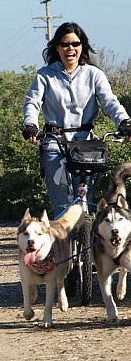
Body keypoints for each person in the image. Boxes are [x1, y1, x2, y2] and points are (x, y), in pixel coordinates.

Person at [22, 22, 131, 216]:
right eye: (65, 44)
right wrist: (30, 124)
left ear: (82, 46)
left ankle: (85, 239)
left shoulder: (93, 74)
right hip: (54, 142)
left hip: (86, 144)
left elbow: (110, 102)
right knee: (63, 204)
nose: (70, 48)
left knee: (84, 202)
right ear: (57, 47)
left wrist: (124, 122)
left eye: (75, 44)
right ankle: (65, 244)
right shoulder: (45, 76)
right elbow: (32, 103)